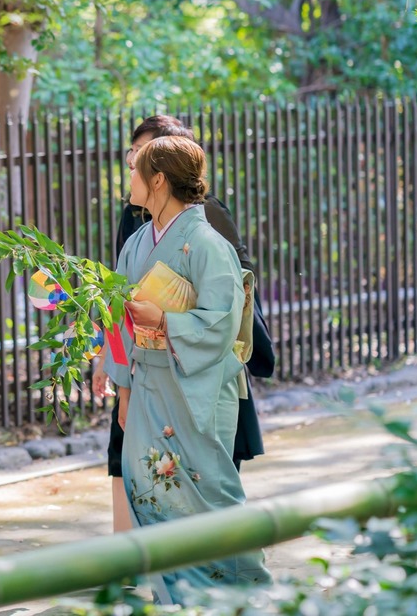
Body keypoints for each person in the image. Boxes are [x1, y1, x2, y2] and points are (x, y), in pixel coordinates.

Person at [106, 134, 272, 603]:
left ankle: (243, 597)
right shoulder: (138, 241)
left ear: (157, 180)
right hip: (146, 386)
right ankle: (174, 597)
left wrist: (164, 320)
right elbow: (118, 319)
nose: (129, 178)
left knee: (209, 493)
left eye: (135, 169)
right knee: (150, 492)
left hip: (196, 386)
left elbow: (221, 323)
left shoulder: (206, 243)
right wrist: (124, 391)